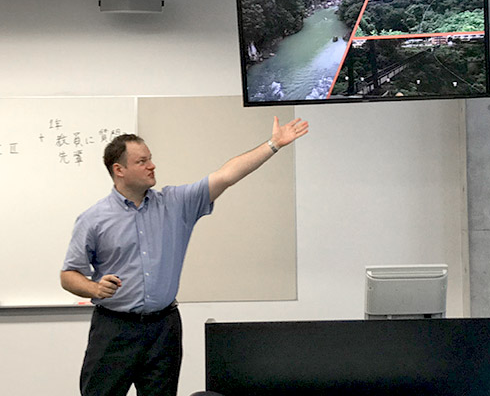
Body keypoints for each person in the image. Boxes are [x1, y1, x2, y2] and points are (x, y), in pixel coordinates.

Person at [60, 116, 309, 396]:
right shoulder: (94, 219)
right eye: (142, 161)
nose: (152, 165)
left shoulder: (176, 204)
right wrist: (94, 288)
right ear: (119, 170)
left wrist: (273, 144)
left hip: (163, 328)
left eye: (150, 158)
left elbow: (226, 175)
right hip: (114, 328)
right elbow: (68, 275)